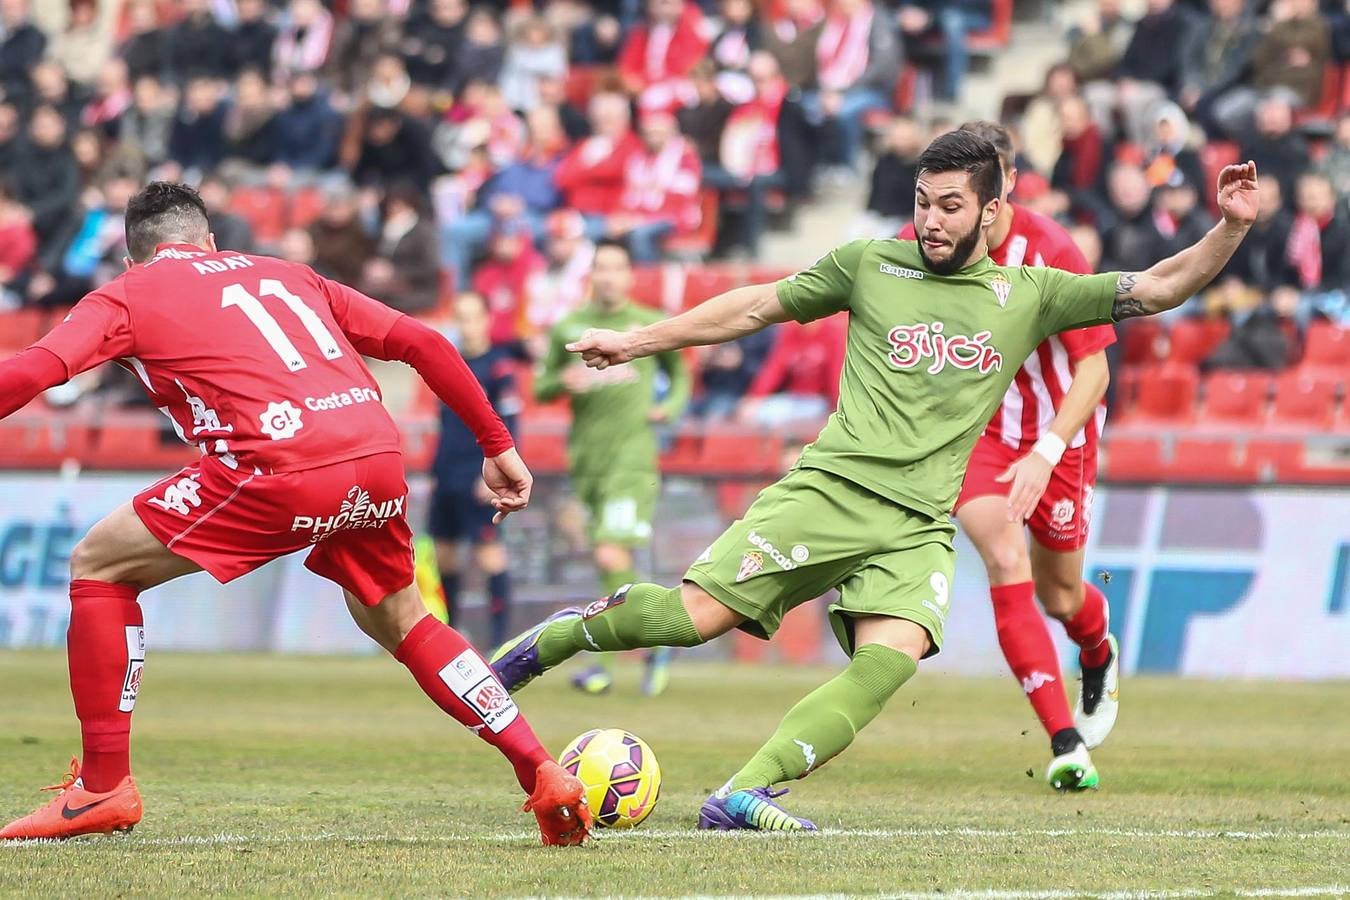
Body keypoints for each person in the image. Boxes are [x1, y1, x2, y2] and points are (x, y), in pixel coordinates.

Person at [492, 130, 1260, 829]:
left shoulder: (1030, 294)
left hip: (919, 525)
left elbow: (1159, 287)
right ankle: (554, 641)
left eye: (951, 206)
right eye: (923, 201)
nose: (931, 219)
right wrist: (637, 341)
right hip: (828, 493)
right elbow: (757, 305)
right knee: (690, 622)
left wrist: (1229, 226)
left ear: (994, 210)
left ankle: (742, 795)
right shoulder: (869, 263)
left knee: (889, 659)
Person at [0, 182, 590, 846]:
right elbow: (423, 341)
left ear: (133, 259)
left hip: (277, 467)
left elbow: (37, 369)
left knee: (99, 566)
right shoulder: (288, 273)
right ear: (211, 241)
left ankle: (104, 787)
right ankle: (543, 771)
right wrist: (498, 444)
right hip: (375, 455)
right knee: (402, 617)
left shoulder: (127, 294)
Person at [901, 122, 1119, 787]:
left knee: (1060, 595)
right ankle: (1064, 742)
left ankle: (1096, 649)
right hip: (982, 435)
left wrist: (1048, 451)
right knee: (1002, 553)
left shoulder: (1051, 249)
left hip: (1060, 433)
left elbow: (1094, 371)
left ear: (1007, 188)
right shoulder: (929, 243)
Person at [531, 240, 690, 696]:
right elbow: (540, 387)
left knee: (609, 554)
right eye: (600, 267)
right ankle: (657, 636)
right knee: (608, 562)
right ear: (591, 275)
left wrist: (671, 406)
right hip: (587, 458)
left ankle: (603, 661)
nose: (607, 276)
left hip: (633, 458)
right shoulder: (572, 325)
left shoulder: (646, 324)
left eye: (616, 268)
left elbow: (680, 371)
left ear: (629, 275)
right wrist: (562, 380)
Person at [430, 292, 521, 648]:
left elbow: (512, 423)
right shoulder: (446, 362)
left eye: (472, 317)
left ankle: (501, 642)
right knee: (445, 556)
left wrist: (500, 473)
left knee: (488, 555)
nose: (466, 325)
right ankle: (452, 638)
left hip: (480, 474)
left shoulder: (498, 367)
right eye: (460, 317)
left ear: (485, 320)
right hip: (446, 473)